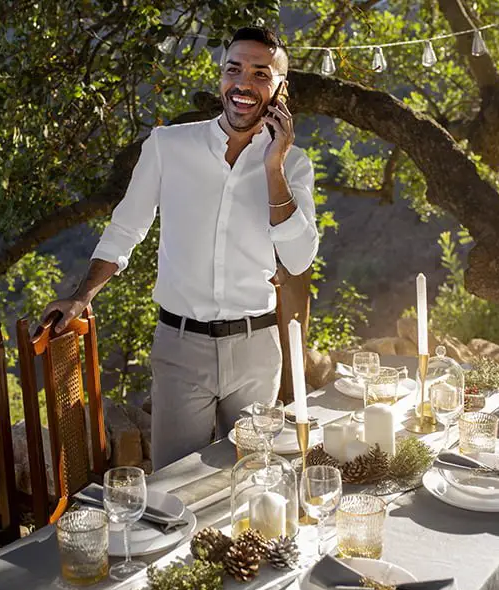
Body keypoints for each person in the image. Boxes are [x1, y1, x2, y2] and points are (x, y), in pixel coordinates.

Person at [40, 26, 318, 470]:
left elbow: (300, 257)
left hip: (257, 349)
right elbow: (125, 229)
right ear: (221, 79)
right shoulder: (168, 146)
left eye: (261, 74)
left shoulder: (294, 165)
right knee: (174, 484)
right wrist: (81, 295)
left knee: (252, 478)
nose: (244, 83)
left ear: (281, 89)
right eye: (234, 69)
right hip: (180, 346)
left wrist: (273, 167)